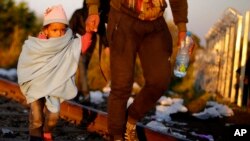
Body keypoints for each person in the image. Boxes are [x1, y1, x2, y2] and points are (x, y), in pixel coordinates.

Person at [86, 0, 191, 140]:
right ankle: (116, 135)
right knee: (121, 85)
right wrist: (93, 9)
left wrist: (182, 29)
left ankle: (131, 120)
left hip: (155, 21)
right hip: (123, 18)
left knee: (160, 80)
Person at [17, 5, 92, 141]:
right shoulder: (37, 45)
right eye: (55, 30)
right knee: (37, 117)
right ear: (46, 30)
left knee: (53, 117)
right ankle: (35, 137)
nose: (59, 33)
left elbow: (81, 46)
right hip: (37, 85)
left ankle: (47, 132)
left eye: (63, 30)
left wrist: (89, 33)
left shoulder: (67, 43)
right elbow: (27, 61)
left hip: (56, 85)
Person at [69, 0, 110, 103]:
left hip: (85, 47)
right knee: (81, 69)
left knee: (83, 69)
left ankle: (79, 93)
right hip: (79, 46)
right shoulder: (79, 14)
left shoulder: (91, 15)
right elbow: (70, 29)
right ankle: (85, 94)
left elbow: (102, 32)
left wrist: (106, 46)